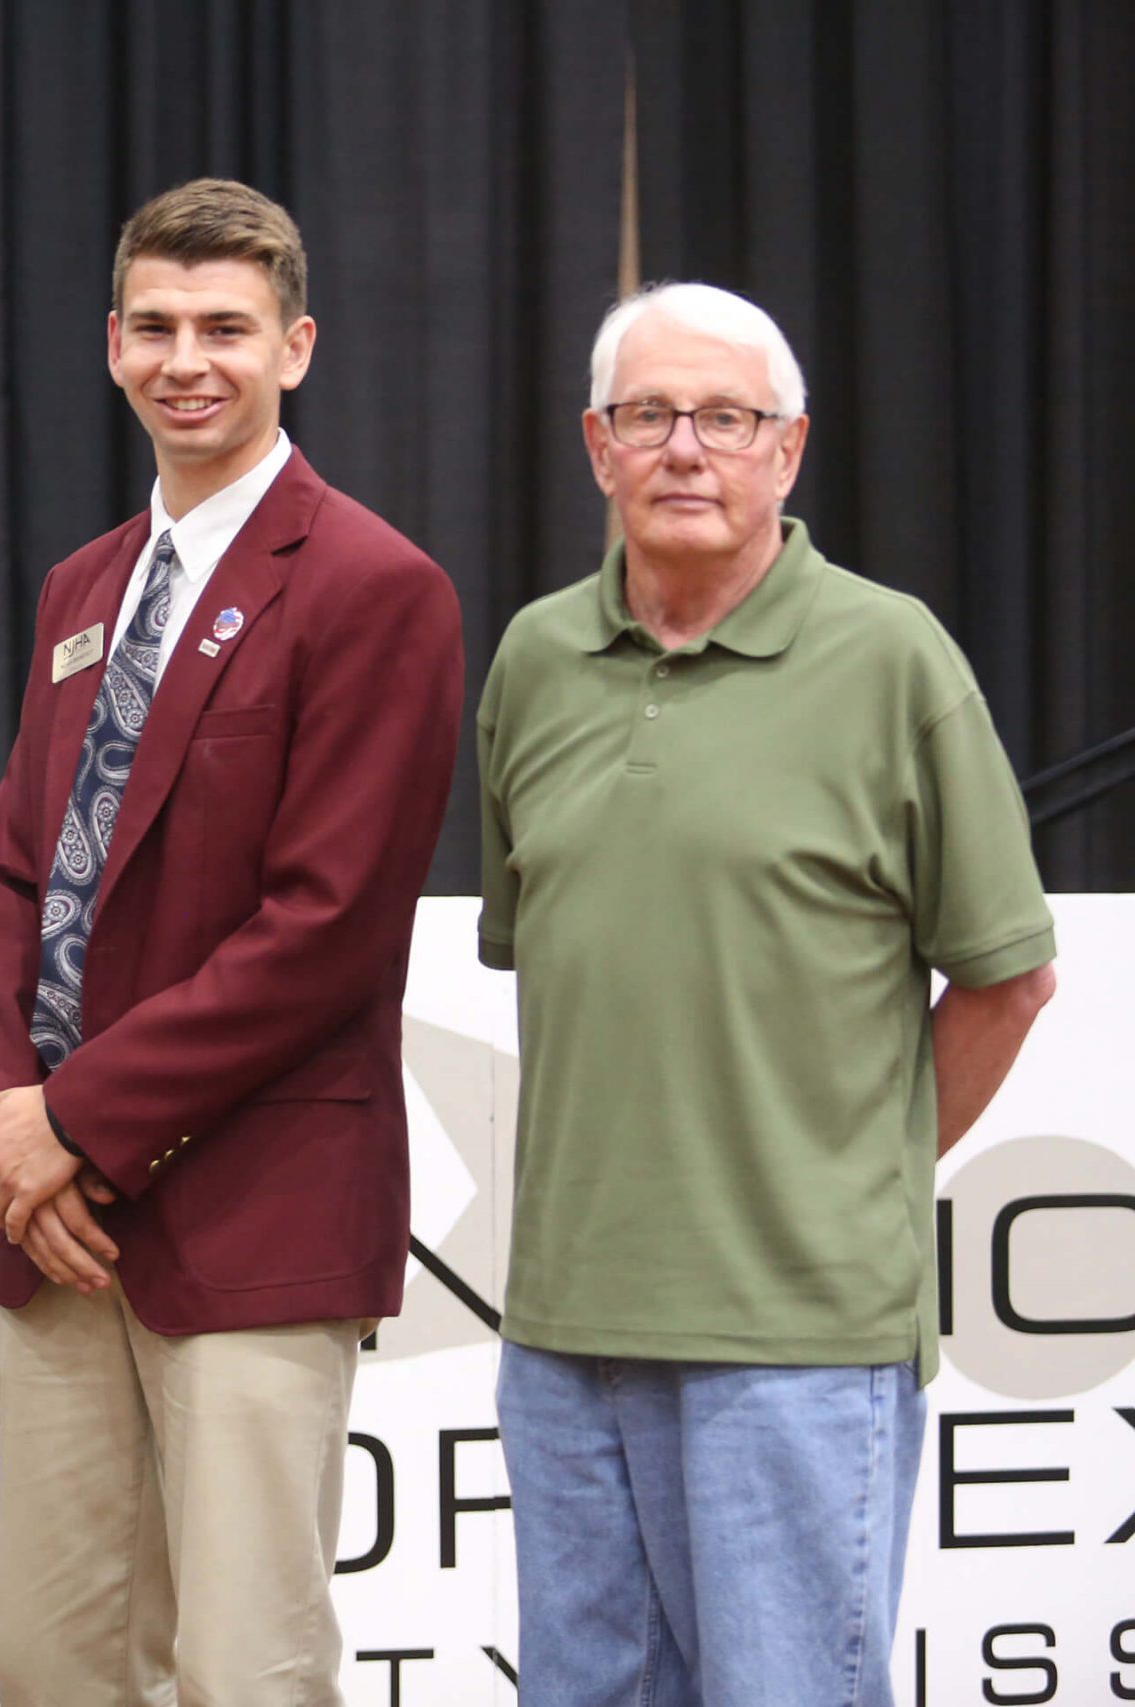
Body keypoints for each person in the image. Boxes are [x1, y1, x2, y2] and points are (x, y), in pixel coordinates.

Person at [479, 282, 1058, 1705]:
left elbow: (1007, 976)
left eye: (725, 418)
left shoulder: (895, 659)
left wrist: (853, 1175)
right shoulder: (534, 662)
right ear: (596, 446)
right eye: (649, 415)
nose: (686, 447)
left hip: (797, 1332)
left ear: (787, 450)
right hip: (564, 1329)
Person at [0, 179, 464, 1703]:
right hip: (56, 1237)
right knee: (56, 1668)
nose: (193, 359)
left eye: (229, 329)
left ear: (295, 348)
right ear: (114, 346)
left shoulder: (380, 589)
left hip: (249, 1219)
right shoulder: (82, 588)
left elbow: (324, 930)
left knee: (246, 1669)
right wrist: (8, 1123)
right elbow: (15, 867)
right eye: (161, 327)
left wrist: (81, 1127)